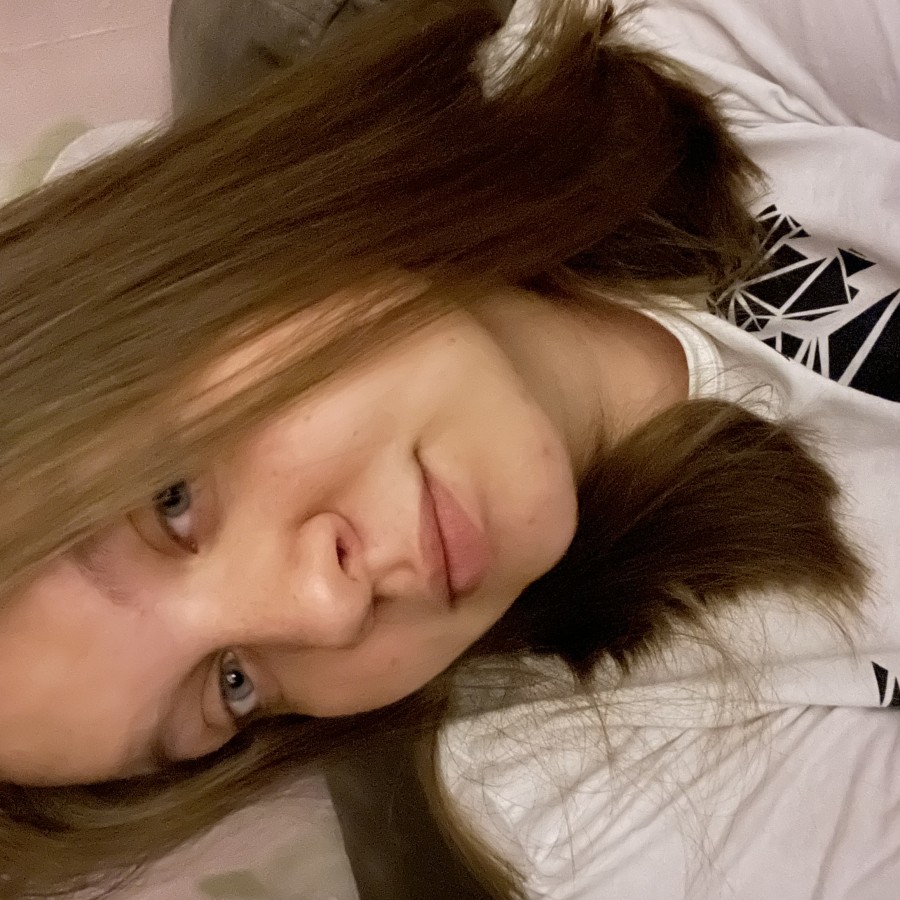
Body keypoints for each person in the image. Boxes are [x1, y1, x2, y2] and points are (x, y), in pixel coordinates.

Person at [0, 2, 897, 899]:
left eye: (171, 503)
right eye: (233, 687)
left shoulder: (664, 37)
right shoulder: (594, 808)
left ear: (174, 272)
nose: (326, 613)